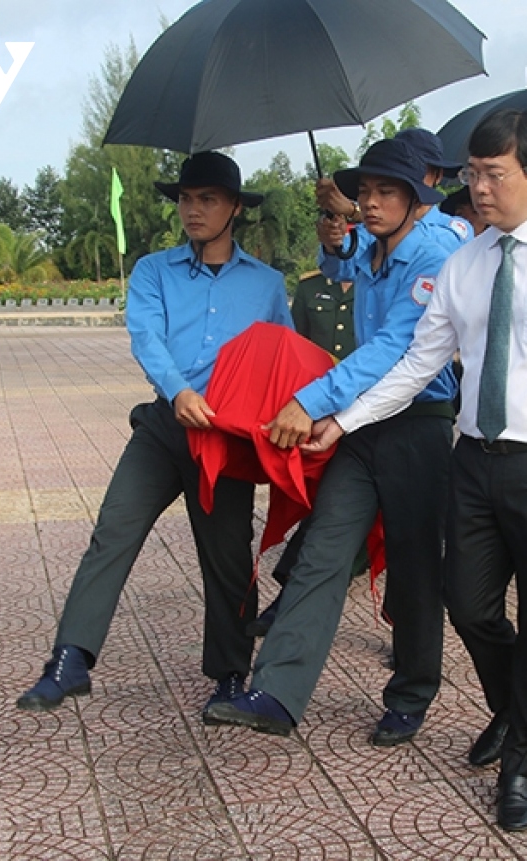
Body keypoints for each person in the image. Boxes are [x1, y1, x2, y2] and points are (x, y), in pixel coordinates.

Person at [300, 109, 527, 832]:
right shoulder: (463, 265)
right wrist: (345, 418)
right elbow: (416, 365)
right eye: (472, 174)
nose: (479, 188)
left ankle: (522, 760)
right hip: (474, 461)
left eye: (495, 173)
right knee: (470, 603)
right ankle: (514, 707)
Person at [15, 152, 292, 717]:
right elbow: (146, 337)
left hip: (227, 438)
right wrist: (179, 390)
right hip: (167, 426)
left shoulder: (266, 285)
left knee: (227, 559)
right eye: (187, 199)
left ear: (235, 208)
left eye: (208, 199)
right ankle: (70, 659)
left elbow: (281, 355)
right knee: (115, 527)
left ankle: (231, 675)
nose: (193, 210)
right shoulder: (153, 271)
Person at [205, 138, 457, 750]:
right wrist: (334, 235)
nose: (369, 203)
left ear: (418, 197)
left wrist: (311, 401)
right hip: (361, 423)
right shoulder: (374, 248)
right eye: (364, 191)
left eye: (385, 193)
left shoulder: (433, 256)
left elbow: (392, 348)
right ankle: (278, 692)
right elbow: (343, 269)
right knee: (322, 550)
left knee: (415, 568)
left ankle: (410, 693)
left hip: (418, 425)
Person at [247, 269, 368, 638]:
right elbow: (294, 347)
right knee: (329, 503)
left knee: (355, 511)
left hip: (373, 408)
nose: (338, 231)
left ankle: (292, 593)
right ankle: (293, 589)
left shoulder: (383, 282)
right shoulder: (312, 286)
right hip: (320, 408)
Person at [315, 127, 470, 283]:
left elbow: (424, 245)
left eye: (420, 168)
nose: (407, 173)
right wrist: (332, 243)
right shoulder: (373, 229)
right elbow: (339, 269)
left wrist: (353, 211)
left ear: (438, 176)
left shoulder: (454, 229)